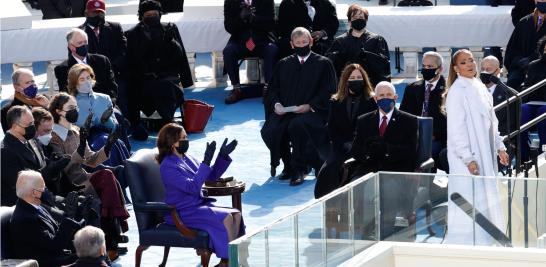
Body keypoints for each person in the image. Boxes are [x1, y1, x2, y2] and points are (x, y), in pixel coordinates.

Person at [48, 93, 129, 260]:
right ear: (59, 112)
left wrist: (109, 145)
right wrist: (80, 149)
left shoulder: (76, 132)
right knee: (106, 179)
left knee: (107, 174)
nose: (75, 111)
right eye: (71, 108)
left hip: (84, 177)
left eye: (76, 108)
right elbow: (65, 167)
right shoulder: (53, 138)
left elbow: (91, 160)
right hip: (69, 183)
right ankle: (112, 236)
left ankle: (111, 236)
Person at [443, 49, 509, 246]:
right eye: (464, 62)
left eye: (471, 60)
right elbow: (456, 130)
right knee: (470, 202)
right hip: (467, 159)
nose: (470, 64)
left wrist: (500, 147)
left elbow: (492, 121)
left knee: (486, 201)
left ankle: (488, 242)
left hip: (485, 155)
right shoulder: (457, 91)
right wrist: (468, 159)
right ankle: (468, 245)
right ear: (456, 68)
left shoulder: (479, 86)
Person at [157, 123, 244, 267]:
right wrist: (205, 161)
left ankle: (227, 261)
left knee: (236, 215)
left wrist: (222, 156)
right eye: (183, 138)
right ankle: (228, 261)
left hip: (197, 206)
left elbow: (210, 177)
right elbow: (191, 187)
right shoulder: (167, 166)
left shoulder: (187, 158)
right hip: (182, 211)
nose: (187, 141)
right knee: (227, 218)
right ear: (172, 142)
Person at [261, 27, 337, 186]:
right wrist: (276, 104)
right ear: (292, 44)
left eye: (305, 42)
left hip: (313, 111)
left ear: (311, 41)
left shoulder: (323, 63)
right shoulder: (283, 64)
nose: (302, 45)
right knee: (269, 130)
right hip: (287, 111)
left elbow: (329, 91)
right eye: (298, 42)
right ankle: (287, 163)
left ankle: (300, 168)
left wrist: (310, 106)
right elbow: (273, 89)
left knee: (297, 125)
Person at [348, 81, 418, 240]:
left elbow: (410, 151)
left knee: (389, 190)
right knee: (357, 187)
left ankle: (385, 234)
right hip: (368, 168)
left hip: (395, 170)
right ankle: (367, 234)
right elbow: (356, 149)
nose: (385, 98)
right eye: (381, 96)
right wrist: (368, 152)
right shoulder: (364, 120)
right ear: (375, 99)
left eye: (388, 95)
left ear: (395, 97)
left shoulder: (409, 120)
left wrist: (386, 149)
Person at [125, 0, 194, 141]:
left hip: (168, 79)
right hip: (144, 80)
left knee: (165, 87)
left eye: (155, 14)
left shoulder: (170, 29)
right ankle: (143, 125)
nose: (152, 17)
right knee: (143, 89)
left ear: (160, 14)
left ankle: (169, 123)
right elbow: (133, 61)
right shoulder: (132, 34)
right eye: (148, 14)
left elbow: (180, 56)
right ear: (141, 16)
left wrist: (171, 42)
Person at [314, 64, 376, 198]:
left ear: (364, 79)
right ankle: (329, 202)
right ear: (345, 80)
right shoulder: (336, 101)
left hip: (363, 146)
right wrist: (342, 144)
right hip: (341, 146)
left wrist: (355, 144)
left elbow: (372, 128)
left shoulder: (372, 100)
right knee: (328, 170)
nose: (356, 80)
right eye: (352, 77)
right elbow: (332, 127)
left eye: (359, 77)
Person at [1, 106, 71, 206]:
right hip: (29, 205)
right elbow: (24, 187)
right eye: (29, 124)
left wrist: (54, 164)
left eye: (33, 122)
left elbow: (42, 162)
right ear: (15, 126)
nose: (33, 127)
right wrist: (50, 170)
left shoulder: (30, 139)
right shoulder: (4, 152)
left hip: (48, 195)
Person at [10, 170, 81, 267]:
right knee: (91, 256)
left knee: (92, 246)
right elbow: (55, 246)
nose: (45, 191)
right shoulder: (25, 218)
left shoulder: (35, 206)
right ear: (34, 192)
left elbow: (55, 232)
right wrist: (69, 217)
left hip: (55, 255)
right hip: (45, 262)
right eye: (43, 188)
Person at [66, 63, 130, 168]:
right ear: (75, 83)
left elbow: (115, 128)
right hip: (84, 142)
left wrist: (107, 121)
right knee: (103, 142)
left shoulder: (104, 98)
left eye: (88, 77)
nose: (87, 81)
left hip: (106, 137)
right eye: (82, 79)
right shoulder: (70, 102)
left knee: (109, 141)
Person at [78, 0, 129, 116]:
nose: (97, 15)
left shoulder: (115, 27)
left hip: (115, 73)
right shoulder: (79, 32)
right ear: (86, 13)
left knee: (122, 92)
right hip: (90, 76)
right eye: (94, 12)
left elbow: (123, 50)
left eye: (100, 12)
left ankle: (124, 125)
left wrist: (111, 67)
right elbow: (77, 57)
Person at [223, 0, 278, 104]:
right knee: (228, 51)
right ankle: (236, 89)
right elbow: (228, 26)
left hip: (262, 40)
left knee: (272, 49)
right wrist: (241, 17)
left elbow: (271, 23)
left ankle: (268, 89)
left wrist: (253, 18)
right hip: (240, 41)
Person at [400, 51, 447, 167]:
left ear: (440, 69)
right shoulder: (412, 88)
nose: (426, 69)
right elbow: (403, 114)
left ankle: (425, 182)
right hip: (414, 135)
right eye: (424, 66)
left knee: (427, 152)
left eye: (430, 67)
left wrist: (434, 134)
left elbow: (449, 121)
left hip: (437, 138)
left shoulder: (448, 90)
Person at [326, 4, 390, 86]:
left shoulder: (377, 40)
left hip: (371, 85)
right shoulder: (339, 41)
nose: (358, 20)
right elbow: (330, 64)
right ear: (349, 22)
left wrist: (367, 56)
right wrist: (340, 56)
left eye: (361, 18)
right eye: (355, 18)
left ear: (366, 20)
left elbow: (383, 65)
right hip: (346, 86)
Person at [55, 28, 118, 99]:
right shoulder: (63, 68)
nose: (84, 45)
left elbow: (112, 87)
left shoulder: (102, 61)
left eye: (85, 42)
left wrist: (107, 104)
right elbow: (66, 95)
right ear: (71, 47)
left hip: (105, 104)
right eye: (80, 43)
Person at [505, 0, 546, 90]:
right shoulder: (524, 22)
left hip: (543, 70)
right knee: (512, 83)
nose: (543, 1)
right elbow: (511, 52)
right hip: (522, 70)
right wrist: (521, 61)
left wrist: (534, 60)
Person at [520, 35, 546, 160]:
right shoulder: (533, 65)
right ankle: (522, 156)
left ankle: (542, 153)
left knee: (543, 112)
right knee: (523, 110)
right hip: (533, 101)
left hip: (544, 106)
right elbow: (527, 86)